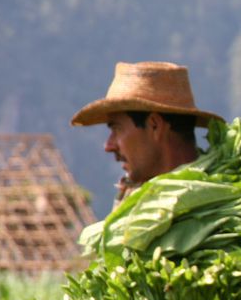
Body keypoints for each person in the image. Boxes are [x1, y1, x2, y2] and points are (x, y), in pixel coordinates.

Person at [71, 61, 225, 206]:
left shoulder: (217, 216)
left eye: (116, 129)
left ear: (154, 125)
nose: (108, 146)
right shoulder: (136, 203)